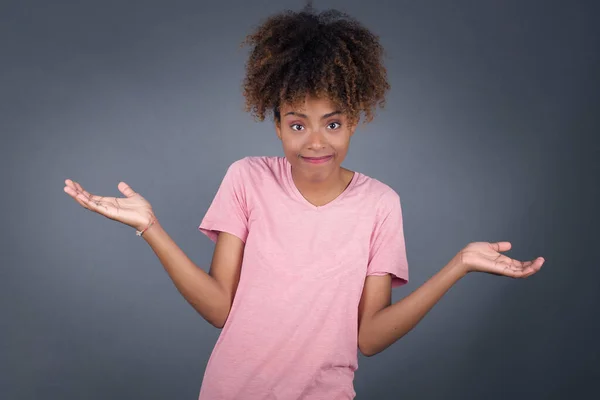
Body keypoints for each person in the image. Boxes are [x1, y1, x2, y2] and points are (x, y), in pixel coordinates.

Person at [63, 5, 545, 400]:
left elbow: (370, 337)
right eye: (298, 124)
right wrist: (151, 227)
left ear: (354, 120)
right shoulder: (247, 178)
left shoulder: (380, 204)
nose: (316, 141)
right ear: (277, 125)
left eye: (332, 124)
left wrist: (457, 265)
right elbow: (218, 308)